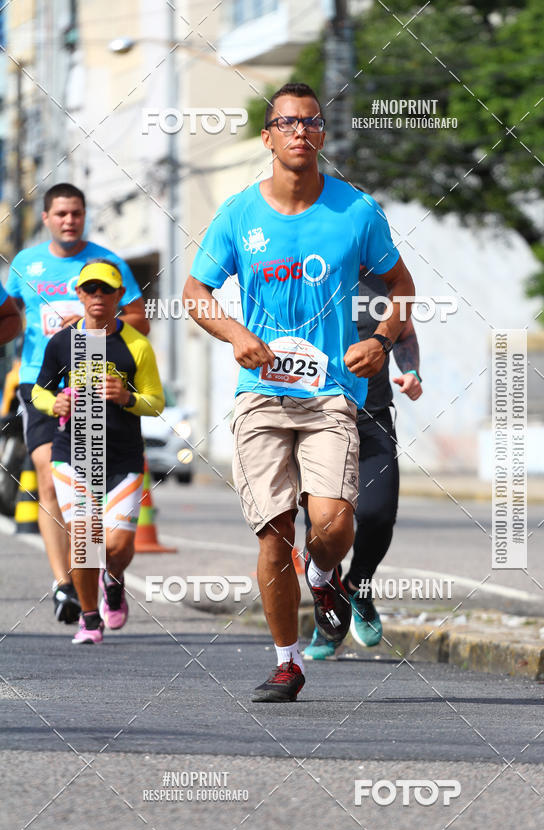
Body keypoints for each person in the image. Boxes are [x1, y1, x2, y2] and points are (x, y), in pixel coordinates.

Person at [182, 82, 415, 702]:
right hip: (260, 395)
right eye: (287, 123)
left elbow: (402, 285)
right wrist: (233, 332)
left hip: (332, 393)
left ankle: (322, 572)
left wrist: (384, 341)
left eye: (310, 122)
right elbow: (194, 293)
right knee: (273, 534)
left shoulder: (356, 211)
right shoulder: (237, 214)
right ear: (268, 137)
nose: (300, 132)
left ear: (322, 134)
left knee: (335, 523)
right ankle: (288, 662)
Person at [6, 183, 148, 624]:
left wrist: (92, 321)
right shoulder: (26, 264)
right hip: (41, 381)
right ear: (46, 218)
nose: (69, 220)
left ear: (85, 216)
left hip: (96, 382)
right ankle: (64, 584)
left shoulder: (107, 263)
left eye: (77, 213)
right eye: (61, 213)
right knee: (48, 477)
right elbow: (11, 315)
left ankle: (104, 571)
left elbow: (140, 317)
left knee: (93, 492)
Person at [31, 259, 164, 644]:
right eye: (90, 289)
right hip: (73, 453)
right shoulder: (63, 342)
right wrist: (52, 404)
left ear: (121, 296)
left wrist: (127, 397)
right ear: (79, 294)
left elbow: (156, 401)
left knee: (118, 547)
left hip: (122, 457)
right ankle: (89, 618)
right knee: (85, 537)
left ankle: (114, 579)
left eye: (106, 289)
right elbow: (40, 389)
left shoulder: (136, 344)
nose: (98, 297)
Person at [304, 267, 423, 659]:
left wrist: (410, 372)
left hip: (373, 418)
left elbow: (403, 334)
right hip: (317, 419)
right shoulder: (306, 274)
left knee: (377, 515)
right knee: (323, 529)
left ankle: (359, 588)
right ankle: (328, 620)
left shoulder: (384, 283)